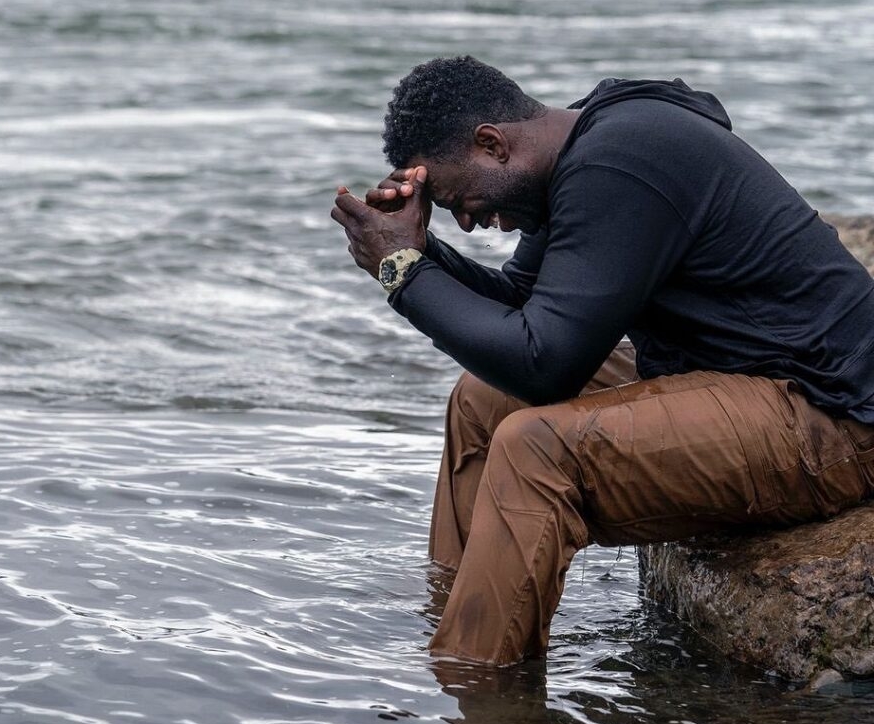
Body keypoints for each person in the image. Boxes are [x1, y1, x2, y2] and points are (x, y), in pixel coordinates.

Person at [330, 55, 874, 667]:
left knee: (537, 448)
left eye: (461, 198)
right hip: (736, 374)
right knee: (483, 399)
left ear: (492, 144)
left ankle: (478, 695)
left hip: (829, 410)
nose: (469, 221)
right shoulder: (581, 152)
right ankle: (452, 616)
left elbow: (545, 365)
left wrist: (403, 273)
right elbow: (524, 307)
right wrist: (420, 252)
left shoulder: (622, 161)